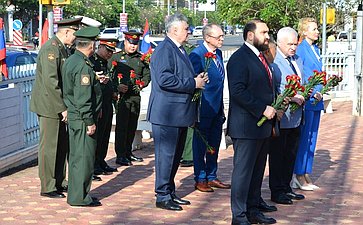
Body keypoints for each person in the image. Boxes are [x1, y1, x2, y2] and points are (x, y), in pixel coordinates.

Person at [147, 13, 208, 211]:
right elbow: (164, 79)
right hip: (167, 114)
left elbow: (178, 75)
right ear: (174, 30)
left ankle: (170, 191)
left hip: (179, 113)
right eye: (186, 28)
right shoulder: (165, 49)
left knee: (174, 156)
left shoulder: (178, 49)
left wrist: (196, 79)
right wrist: (193, 83)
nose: (189, 31)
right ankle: (162, 195)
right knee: (166, 155)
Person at [227, 19, 277, 225]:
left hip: (263, 126)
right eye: (263, 32)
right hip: (247, 126)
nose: (267, 36)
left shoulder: (260, 58)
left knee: (257, 172)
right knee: (243, 174)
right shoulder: (239, 59)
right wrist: (262, 109)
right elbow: (238, 91)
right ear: (250, 35)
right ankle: (239, 216)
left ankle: (253, 210)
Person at [30, 17, 82, 199]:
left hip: (58, 104)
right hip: (49, 105)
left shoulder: (63, 49)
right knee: (49, 147)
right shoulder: (51, 49)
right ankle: (48, 185)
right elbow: (51, 82)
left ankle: (59, 180)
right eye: (75, 33)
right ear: (66, 32)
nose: (75, 38)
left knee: (61, 145)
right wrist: (63, 108)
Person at [62, 27, 102, 207]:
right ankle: (79, 197)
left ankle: (79, 193)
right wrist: (89, 121)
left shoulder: (73, 60)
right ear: (91, 44)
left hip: (76, 116)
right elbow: (82, 97)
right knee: (83, 159)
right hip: (81, 118)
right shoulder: (81, 66)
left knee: (78, 157)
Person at [189, 23, 230, 192]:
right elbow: (194, 81)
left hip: (216, 107)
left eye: (222, 36)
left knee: (214, 142)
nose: (222, 39)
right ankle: (200, 178)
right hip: (203, 108)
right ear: (207, 38)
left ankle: (212, 176)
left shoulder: (218, 53)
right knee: (201, 144)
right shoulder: (197, 55)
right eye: (218, 36)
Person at [268, 27, 306, 205]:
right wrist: (290, 98)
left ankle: (286, 187)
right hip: (282, 116)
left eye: (295, 43)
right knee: (278, 155)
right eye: (289, 44)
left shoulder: (297, 59)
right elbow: (275, 88)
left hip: (297, 115)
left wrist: (306, 93)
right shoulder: (274, 61)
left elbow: (303, 82)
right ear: (280, 43)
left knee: (291, 153)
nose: (293, 47)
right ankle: (277, 190)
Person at [111, 31, 151, 166]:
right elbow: (109, 75)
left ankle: (128, 152)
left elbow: (147, 75)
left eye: (135, 44)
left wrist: (142, 84)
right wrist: (117, 87)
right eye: (130, 43)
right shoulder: (116, 57)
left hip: (135, 96)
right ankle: (120, 154)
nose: (133, 46)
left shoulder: (142, 59)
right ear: (125, 42)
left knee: (132, 126)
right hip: (121, 98)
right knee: (122, 127)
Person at [293, 18, 323, 191]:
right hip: (309, 98)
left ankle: (306, 171)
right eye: (314, 29)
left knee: (312, 136)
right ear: (304, 31)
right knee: (305, 137)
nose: (317, 31)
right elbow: (302, 74)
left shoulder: (316, 49)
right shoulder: (302, 49)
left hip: (317, 99)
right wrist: (311, 92)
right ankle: (298, 173)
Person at [89, 38, 118, 179]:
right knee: (97, 135)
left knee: (105, 134)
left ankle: (101, 161)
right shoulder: (92, 61)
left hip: (107, 102)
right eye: (108, 50)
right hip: (98, 104)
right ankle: (93, 164)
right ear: (100, 47)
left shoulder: (105, 62)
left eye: (112, 51)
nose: (110, 54)